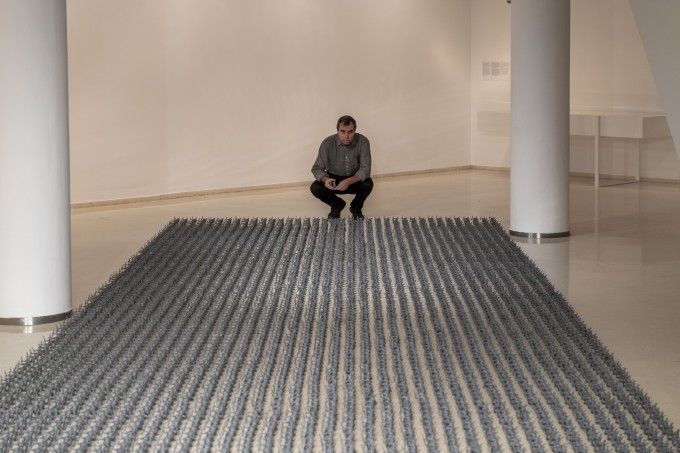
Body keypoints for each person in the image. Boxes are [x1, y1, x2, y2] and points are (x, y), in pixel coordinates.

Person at [310, 115, 374, 219]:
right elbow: (317, 168)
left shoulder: (363, 141)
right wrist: (325, 179)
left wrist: (348, 181)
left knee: (368, 184)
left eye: (350, 132)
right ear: (338, 131)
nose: (346, 136)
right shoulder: (327, 143)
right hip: (334, 180)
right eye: (343, 132)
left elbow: (366, 169)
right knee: (315, 187)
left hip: (354, 179)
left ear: (355, 131)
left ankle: (356, 207)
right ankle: (337, 205)